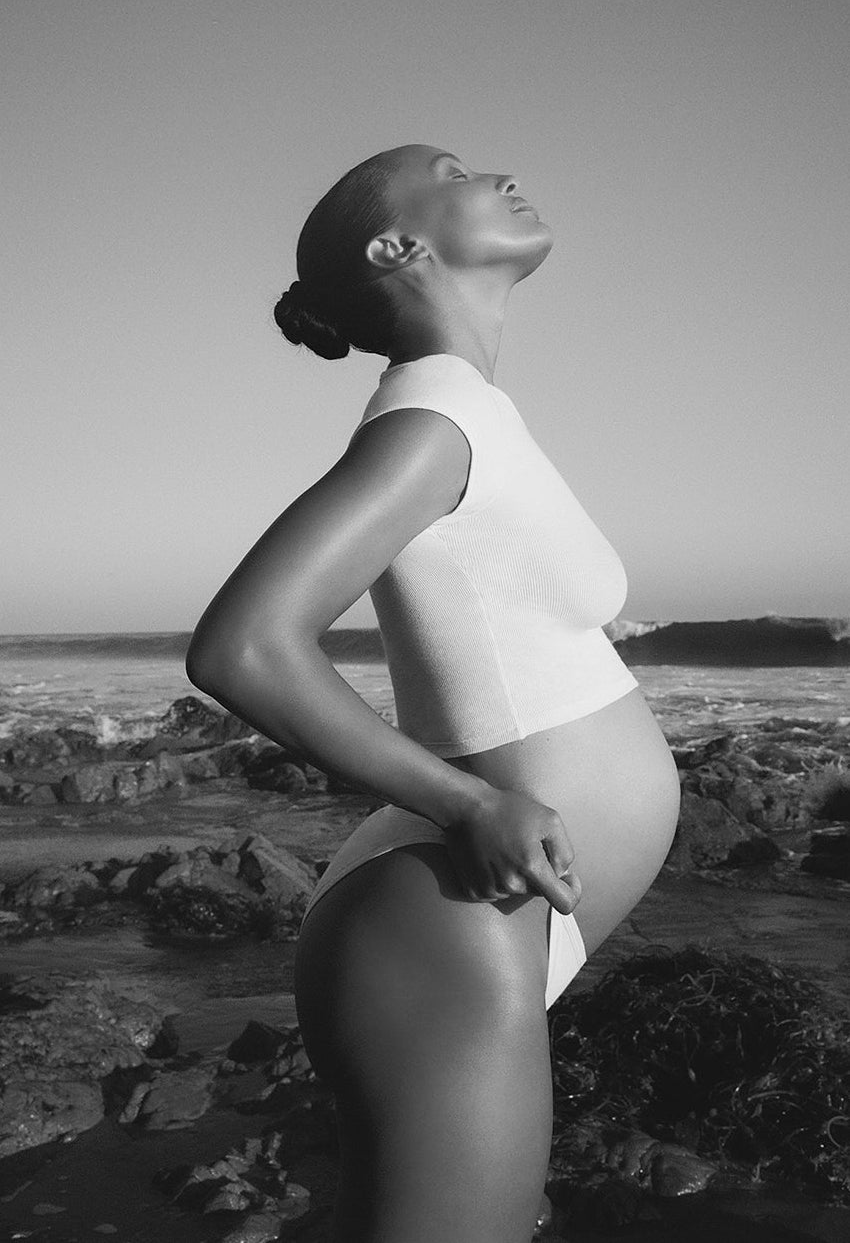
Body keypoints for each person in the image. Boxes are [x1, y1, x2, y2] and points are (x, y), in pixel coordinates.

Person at [186, 143, 681, 1243]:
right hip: (448, 921)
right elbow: (245, 646)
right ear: (396, 246)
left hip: (475, 920)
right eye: (454, 169)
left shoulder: (463, 412)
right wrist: (470, 805)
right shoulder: (431, 425)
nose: (499, 170)